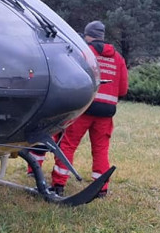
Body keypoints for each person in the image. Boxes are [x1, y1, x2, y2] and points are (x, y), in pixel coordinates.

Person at [49, 20, 128, 198]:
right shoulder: (118, 58)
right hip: (106, 112)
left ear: (87, 35)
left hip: (85, 107)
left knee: (68, 145)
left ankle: (59, 184)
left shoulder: (84, 53)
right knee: (101, 148)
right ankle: (101, 188)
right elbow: (123, 89)